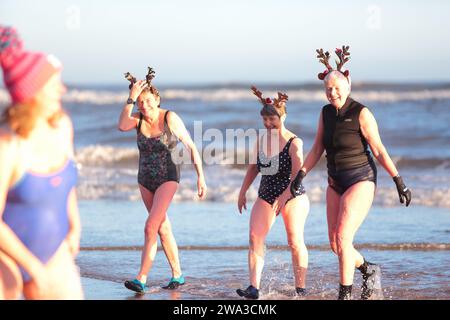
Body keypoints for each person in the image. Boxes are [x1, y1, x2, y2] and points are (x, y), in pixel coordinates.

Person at [291, 46, 412, 300]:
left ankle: (344, 295)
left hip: (361, 179)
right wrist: (300, 175)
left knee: (344, 237)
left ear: (347, 87)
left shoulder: (361, 113)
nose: (332, 93)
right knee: (336, 245)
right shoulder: (325, 113)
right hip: (335, 182)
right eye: (328, 90)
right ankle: (368, 270)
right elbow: (316, 148)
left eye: (336, 88)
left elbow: (378, 150)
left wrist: (398, 181)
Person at [0, 26, 83, 299]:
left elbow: (66, 183)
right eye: (54, 83)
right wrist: (32, 267)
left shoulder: (63, 127)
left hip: (53, 252)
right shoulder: (7, 144)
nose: (63, 88)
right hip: (7, 259)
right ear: (32, 91)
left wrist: (75, 226)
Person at [118, 67, 207, 293]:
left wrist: (200, 177)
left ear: (157, 100)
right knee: (162, 228)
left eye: (148, 101)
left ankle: (141, 278)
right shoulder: (136, 119)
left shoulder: (169, 117)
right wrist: (131, 97)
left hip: (168, 176)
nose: (144, 105)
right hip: (145, 178)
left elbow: (191, 145)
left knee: (151, 226)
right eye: (140, 102)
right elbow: (121, 125)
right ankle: (178, 275)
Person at [236, 86, 310, 299]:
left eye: (272, 119)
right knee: (254, 236)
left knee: (294, 240)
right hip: (266, 193)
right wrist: (242, 192)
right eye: (265, 120)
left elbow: (299, 174)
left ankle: (301, 289)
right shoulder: (262, 139)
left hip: (293, 195)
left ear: (283, 116)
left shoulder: (295, 142)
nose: (268, 124)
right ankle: (253, 288)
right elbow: (253, 168)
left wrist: (286, 194)